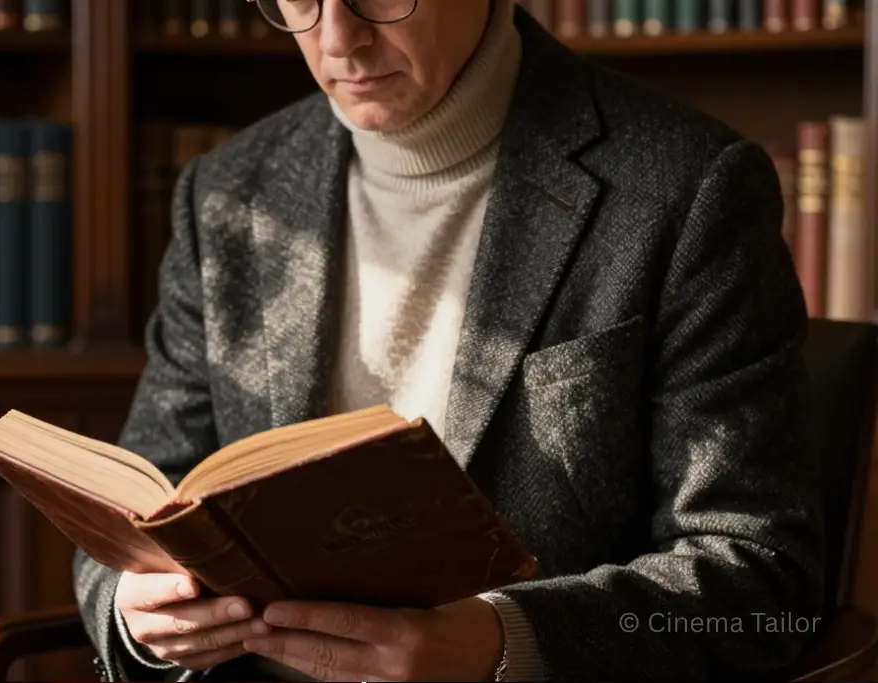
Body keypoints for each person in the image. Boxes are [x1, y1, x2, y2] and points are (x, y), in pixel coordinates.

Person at [74, 0, 825, 680]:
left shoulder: (688, 186)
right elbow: (140, 505)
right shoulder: (228, 192)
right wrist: (136, 612)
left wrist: (504, 642)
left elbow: (761, 583)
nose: (337, 39)